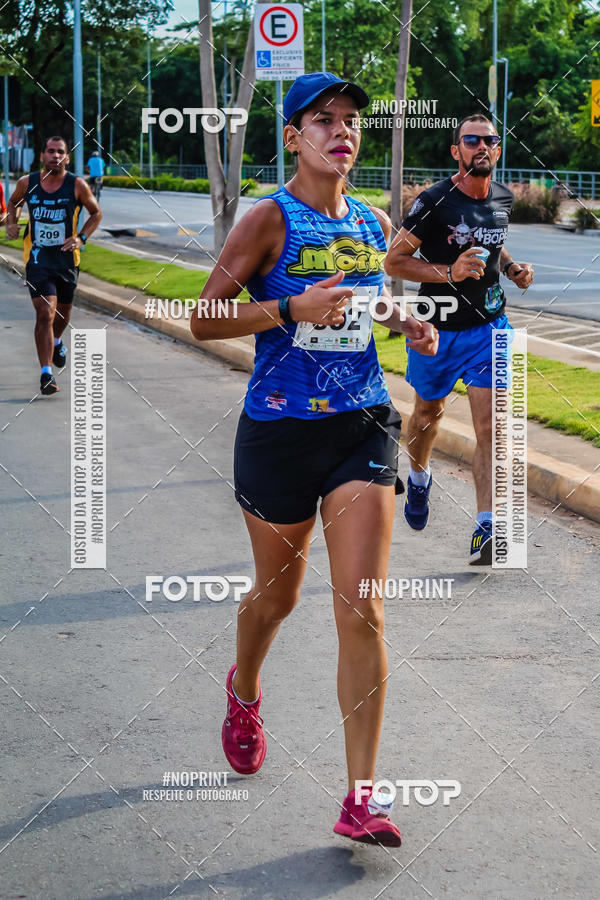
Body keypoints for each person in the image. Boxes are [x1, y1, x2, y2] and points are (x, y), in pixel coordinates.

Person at [190, 72, 438, 847]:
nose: (343, 130)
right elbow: (204, 319)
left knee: (362, 606)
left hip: (362, 424)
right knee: (276, 600)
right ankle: (245, 689)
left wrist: (405, 318)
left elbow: (363, 298)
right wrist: (290, 308)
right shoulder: (269, 218)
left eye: (352, 120)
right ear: (294, 137)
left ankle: (361, 797)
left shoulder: (370, 219)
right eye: (324, 120)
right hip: (280, 431)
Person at [385, 114, 534, 565]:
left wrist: (511, 268)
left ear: (498, 150)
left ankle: (487, 528)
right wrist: (449, 271)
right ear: (457, 151)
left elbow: (494, 243)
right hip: (437, 330)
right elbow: (395, 261)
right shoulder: (433, 201)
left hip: (490, 327)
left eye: (490, 140)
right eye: (472, 140)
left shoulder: (503, 197)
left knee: (492, 428)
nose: (482, 146)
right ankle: (419, 476)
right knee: (426, 417)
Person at [6, 136, 102, 394]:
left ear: (67, 158)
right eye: (50, 151)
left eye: (60, 152)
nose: (55, 156)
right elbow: (14, 202)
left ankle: (57, 341)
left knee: (62, 314)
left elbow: (96, 213)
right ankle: (46, 374)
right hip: (38, 260)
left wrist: (81, 238)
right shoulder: (28, 183)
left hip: (67, 261)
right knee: (45, 312)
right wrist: (12, 223)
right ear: (42, 156)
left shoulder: (77, 185)